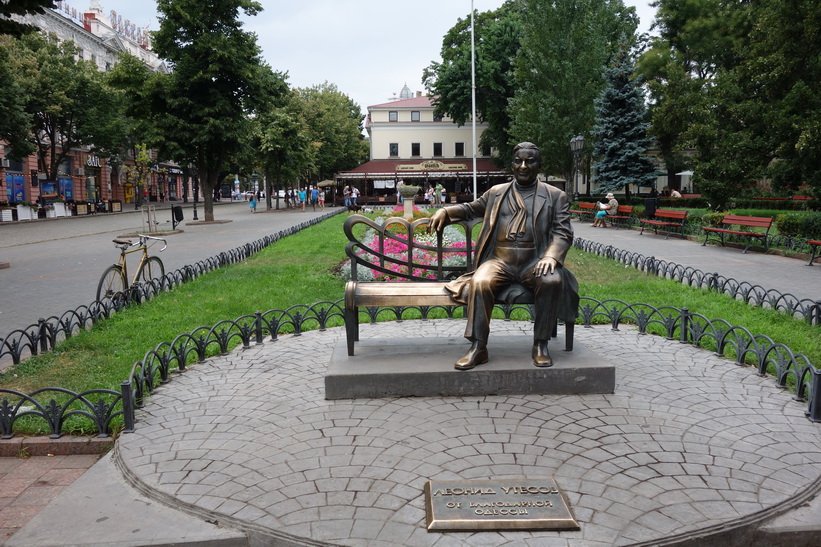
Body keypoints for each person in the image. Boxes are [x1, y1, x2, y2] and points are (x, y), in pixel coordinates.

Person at [428, 142, 575, 370]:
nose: (523, 166)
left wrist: (551, 257)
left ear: (539, 165)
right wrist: (446, 210)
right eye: (518, 161)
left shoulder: (555, 196)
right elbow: (470, 209)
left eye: (529, 161)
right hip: (500, 261)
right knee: (480, 281)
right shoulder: (496, 193)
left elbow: (563, 232)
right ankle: (478, 347)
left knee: (552, 280)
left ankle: (540, 344)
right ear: (512, 164)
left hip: (534, 261)